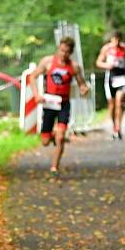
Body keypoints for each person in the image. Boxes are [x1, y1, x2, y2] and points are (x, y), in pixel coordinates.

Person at [29, 37, 90, 174]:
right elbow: (32, 77)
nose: (63, 54)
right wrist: (36, 95)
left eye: (67, 52)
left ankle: (54, 167)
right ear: (58, 48)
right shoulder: (48, 62)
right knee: (45, 141)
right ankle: (52, 135)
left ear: (71, 53)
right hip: (49, 103)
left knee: (61, 137)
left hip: (64, 104)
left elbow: (82, 85)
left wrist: (84, 90)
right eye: (61, 50)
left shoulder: (74, 67)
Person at [95, 31, 125, 139]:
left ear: (121, 39)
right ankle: (114, 125)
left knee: (120, 102)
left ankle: (119, 127)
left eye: (118, 40)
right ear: (111, 40)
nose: (116, 42)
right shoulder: (106, 49)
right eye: (114, 40)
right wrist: (106, 65)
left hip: (122, 78)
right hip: (110, 78)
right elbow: (98, 62)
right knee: (112, 105)